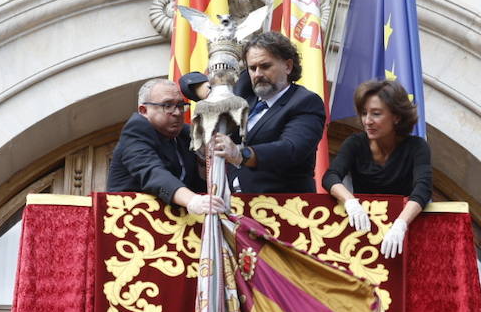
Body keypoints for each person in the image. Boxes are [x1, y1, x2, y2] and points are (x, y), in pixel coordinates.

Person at [322, 79, 432, 258]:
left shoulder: (417, 147)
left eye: (376, 114)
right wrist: (350, 201)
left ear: (396, 117)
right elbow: (330, 176)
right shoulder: (355, 143)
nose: (367, 121)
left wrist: (400, 225)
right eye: (364, 113)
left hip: (403, 235)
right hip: (362, 230)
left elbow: (423, 188)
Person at [210, 30, 326, 194]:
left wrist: (240, 154)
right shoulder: (244, 89)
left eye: (265, 66)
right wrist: (204, 89)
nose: (258, 74)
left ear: (288, 66)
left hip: (282, 207)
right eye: (252, 68)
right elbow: (189, 83)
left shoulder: (305, 102)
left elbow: (291, 149)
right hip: (231, 203)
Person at [107, 78, 222, 214]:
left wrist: (204, 160)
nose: (178, 113)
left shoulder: (185, 134)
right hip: (131, 219)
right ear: (144, 110)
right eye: (167, 106)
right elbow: (154, 174)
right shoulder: (135, 131)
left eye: (180, 105)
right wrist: (192, 200)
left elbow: (196, 183)